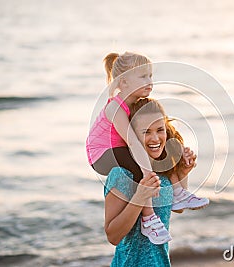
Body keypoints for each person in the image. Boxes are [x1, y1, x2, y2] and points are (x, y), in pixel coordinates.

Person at [86, 51, 208, 245]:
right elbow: (133, 142)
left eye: (150, 76)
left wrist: (182, 170)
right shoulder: (115, 107)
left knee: (168, 150)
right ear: (123, 82)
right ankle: (148, 218)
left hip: (121, 149)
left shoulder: (137, 105)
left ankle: (178, 192)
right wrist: (146, 173)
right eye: (143, 76)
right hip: (102, 153)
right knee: (139, 167)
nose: (150, 81)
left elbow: (176, 210)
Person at [104, 98, 201, 266]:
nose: (155, 138)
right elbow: (113, 236)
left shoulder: (163, 173)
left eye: (160, 130)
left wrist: (183, 172)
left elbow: (178, 209)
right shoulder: (121, 175)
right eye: (146, 132)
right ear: (132, 136)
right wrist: (139, 198)